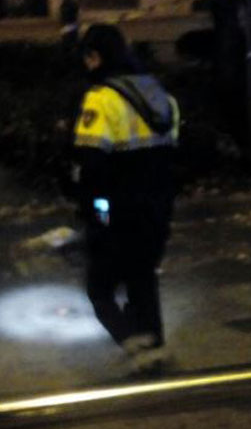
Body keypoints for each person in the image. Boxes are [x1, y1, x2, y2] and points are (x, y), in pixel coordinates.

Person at [70, 24, 180, 373]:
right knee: (142, 280)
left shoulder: (102, 99)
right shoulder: (160, 95)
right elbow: (174, 157)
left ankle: (134, 343)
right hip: (158, 209)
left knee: (99, 289)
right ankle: (155, 349)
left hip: (117, 213)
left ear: (95, 57)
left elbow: (91, 166)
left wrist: (92, 212)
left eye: (87, 58)